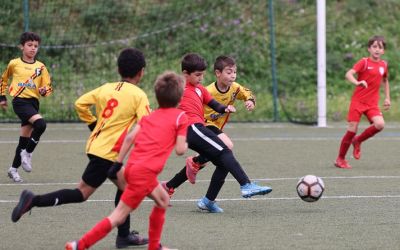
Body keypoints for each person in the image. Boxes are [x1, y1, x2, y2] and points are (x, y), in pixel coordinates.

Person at [11, 48, 149, 248]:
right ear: (141, 72)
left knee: (126, 187)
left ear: (119, 69)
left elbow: (80, 104)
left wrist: (93, 124)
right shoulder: (139, 95)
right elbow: (146, 124)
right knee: (82, 193)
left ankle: (124, 235)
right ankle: (33, 200)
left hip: (96, 146)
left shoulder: (106, 88)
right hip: (108, 153)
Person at [65, 71, 189, 250]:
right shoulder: (180, 117)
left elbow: (130, 138)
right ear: (180, 97)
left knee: (162, 200)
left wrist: (117, 164)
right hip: (144, 173)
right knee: (118, 216)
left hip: (133, 167)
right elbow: (180, 150)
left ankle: (155, 246)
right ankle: (79, 245)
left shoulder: (149, 116)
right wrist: (184, 140)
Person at [163, 53, 272, 213]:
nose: (201, 78)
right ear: (185, 74)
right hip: (192, 128)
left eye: (202, 75)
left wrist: (225, 108)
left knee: (223, 163)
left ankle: (206, 200)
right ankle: (246, 185)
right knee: (225, 150)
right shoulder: (180, 88)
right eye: (197, 75)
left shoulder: (200, 90)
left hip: (199, 129)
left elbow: (214, 104)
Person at [0, 32, 53, 182]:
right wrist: (2, 97)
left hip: (33, 104)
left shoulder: (41, 67)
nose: (33, 48)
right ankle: (28, 153)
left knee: (23, 140)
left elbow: (48, 87)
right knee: (41, 124)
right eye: (29, 45)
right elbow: (3, 80)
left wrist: (44, 91)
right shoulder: (14, 63)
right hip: (20, 101)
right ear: (22, 47)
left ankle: (13, 169)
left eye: (35, 46)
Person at [334, 35, 390, 169]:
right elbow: (348, 74)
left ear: (383, 51)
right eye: (374, 46)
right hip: (358, 102)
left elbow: (385, 80)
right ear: (369, 48)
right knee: (352, 129)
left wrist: (387, 98)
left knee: (380, 124)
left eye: (380, 47)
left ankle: (358, 141)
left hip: (372, 104)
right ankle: (340, 159)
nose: (377, 49)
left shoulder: (383, 65)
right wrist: (357, 82)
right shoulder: (364, 62)